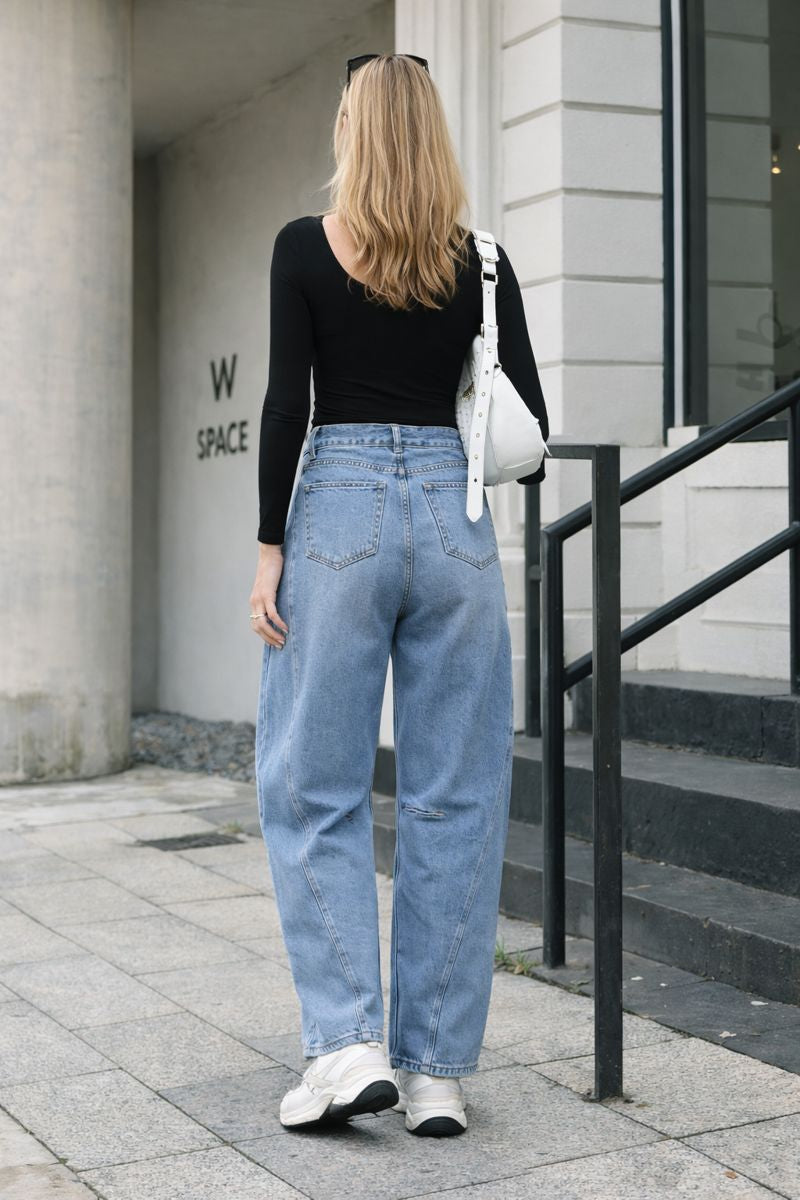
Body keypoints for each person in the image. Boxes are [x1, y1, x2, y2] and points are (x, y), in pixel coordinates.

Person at [250, 52, 549, 1137]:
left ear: (354, 130)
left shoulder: (304, 246)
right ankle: (433, 1074)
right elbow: (532, 425)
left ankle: (346, 1045)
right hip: (454, 518)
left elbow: (287, 406)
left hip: (337, 513)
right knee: (454, 796)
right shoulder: (484, 264)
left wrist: (270, 550)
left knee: (311, 781)